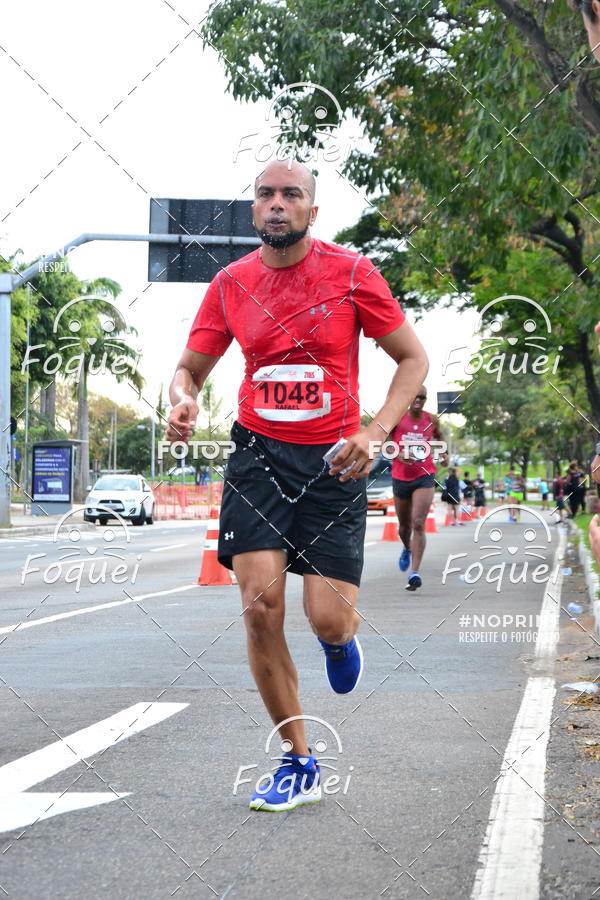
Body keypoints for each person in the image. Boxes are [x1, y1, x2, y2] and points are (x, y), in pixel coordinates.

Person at [166, 159, 428, 812]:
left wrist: (375, 433)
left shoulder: (351, 273)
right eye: (266, 195)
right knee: (260, 607)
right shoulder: (231, 283)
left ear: (312, 210)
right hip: (257, 458)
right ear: (254, 210)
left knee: (327, 618)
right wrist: (181, 398)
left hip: (335, 464)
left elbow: (413, 358)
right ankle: (298, 760)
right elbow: (189, 369)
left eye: (291, 195)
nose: (277, 204)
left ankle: (339, 640)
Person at [388, 387, 447, 590]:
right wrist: (397, 454)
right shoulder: (397, 418)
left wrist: (444, 454)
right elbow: (383, 443)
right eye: (415, 396)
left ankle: (414, 573)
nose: (418, 400)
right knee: (404, 528)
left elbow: (439, 438)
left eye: (422, 397)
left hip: (424, 475)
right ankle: (407, 547)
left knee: (419, 523)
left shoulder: (431, 419)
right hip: (400, 477)